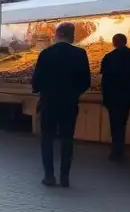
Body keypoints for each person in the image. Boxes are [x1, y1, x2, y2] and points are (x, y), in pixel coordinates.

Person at [31, 22, 91, 187]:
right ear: (72, 36)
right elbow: (86, 81)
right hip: (70, 103)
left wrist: (43, 91)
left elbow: (36, 80)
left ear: (57, 34)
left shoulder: (46, 53)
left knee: (47, 138)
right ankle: (65, 176)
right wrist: (74, 93)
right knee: (67, 138)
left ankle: (49, 175)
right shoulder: (80, 54)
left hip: (48, 102)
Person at [99, 33, 130, 162]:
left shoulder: (109, 57)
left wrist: (104, 97)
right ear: (125, 42)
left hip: (112, 97)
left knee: (114, 123)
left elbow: (104, 79)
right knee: (123, 122)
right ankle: (120, 148)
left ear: (114, 42)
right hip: (126, 97)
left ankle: (116, 150)